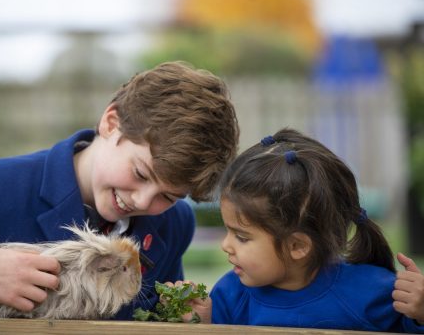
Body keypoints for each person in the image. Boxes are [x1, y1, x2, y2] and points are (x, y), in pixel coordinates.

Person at [0, 61, 240, 319]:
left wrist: (186, 316)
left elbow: (149, 314)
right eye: (140, 172)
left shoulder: (175, 223)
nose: (141, 200)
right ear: (111, 123)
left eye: (168, 196)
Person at [176, 128, 424, 332]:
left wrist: (420, 312)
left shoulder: (372, 293)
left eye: (241, 237)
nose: (225, 245)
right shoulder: (229, 296)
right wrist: (202, 322)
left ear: (297, 246)